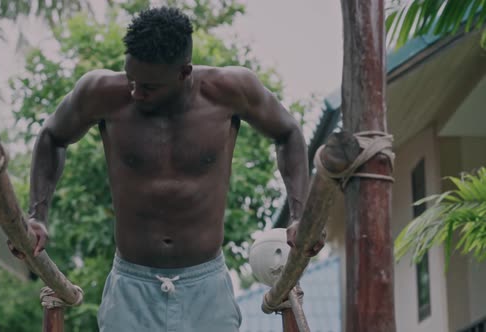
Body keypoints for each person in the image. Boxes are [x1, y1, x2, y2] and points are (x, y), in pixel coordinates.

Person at [17, 6, 323, 332]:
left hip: (206, 285)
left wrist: (299, 216)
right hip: (131, 286)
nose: (135, 92)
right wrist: (37, 215)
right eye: (131, 79)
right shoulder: (101, 94)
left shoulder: (230, 91)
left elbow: (288, 133)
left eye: (148, 86)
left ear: (183, 72)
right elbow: (52, 137)